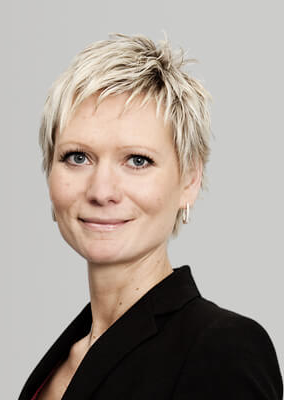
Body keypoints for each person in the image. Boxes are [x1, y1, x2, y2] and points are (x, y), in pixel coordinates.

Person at [18, 33, 283, 400]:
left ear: (189, 180)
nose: (101, 191)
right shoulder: (62, 360)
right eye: (78, 157)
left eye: (137, 160)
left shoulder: (222, 350)